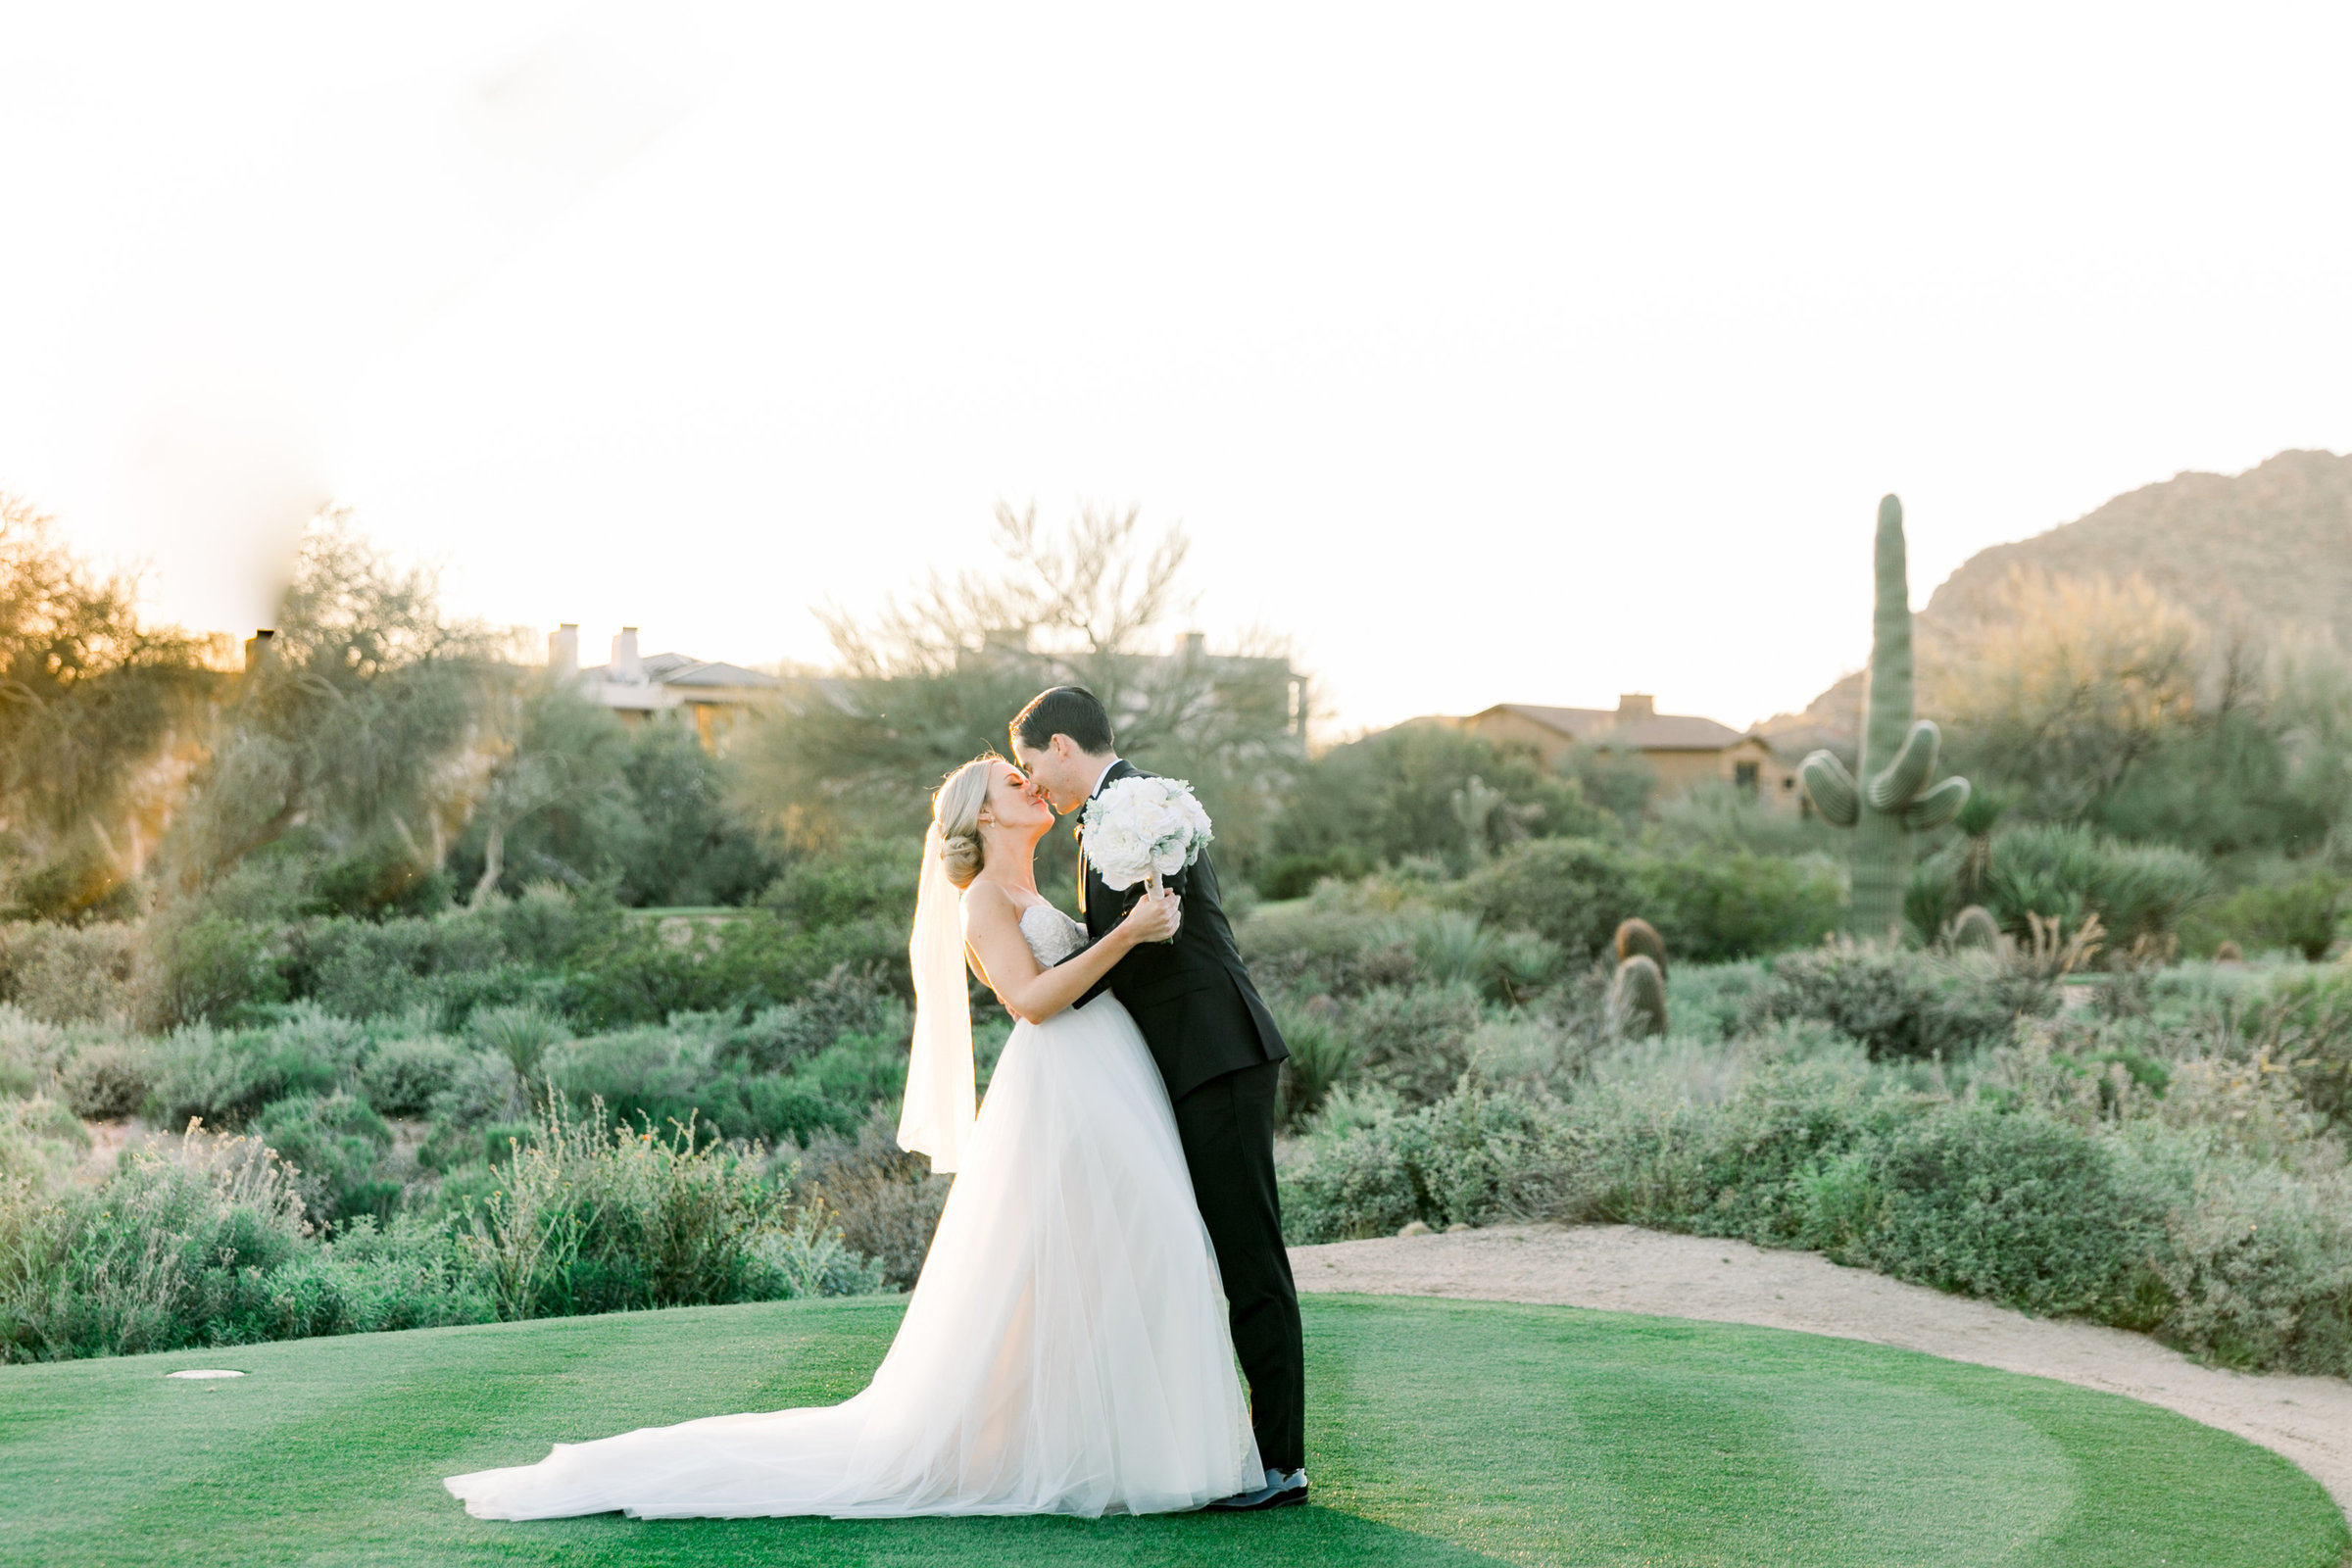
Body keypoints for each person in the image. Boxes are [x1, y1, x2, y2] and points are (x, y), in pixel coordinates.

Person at [444, 754, 1264, 1519]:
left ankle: (1101, 1445)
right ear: (983, 817)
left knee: (1115, 1260)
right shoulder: (981, 900)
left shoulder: (1040, 883)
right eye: (1014, 783)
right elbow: (1032, 1000)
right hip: (1063, 1086)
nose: (1033, 789)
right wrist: (1127, 937)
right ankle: (1087, 1452)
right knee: (1126, 1246)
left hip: (1104, 1079)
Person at [1009, 684, 1307, 1511]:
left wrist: (1135, 932)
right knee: (1188, 1253)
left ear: (1063, 747)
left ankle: (1282, 1464)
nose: (1034, 785)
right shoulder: (1111, 815)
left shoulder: (1136, 807)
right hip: (1170, 1064)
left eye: (1034, 765)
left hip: (1215, 1054)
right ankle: (1218, 1447)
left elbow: (1163, 927)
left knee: (1248, 1255)